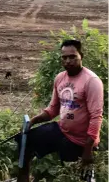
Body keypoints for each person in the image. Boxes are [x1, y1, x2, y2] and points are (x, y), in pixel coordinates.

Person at [15, 40, 104, 182]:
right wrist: (33, 121)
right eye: (64, 57)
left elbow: (96, 117)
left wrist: (88, 150)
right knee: (25, 139)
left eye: (72, 57)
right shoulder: (60, 78)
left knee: (76, 175)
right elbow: (53, 109)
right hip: (62, 130)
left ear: (81, 56)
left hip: (81, 141)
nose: (68, 61)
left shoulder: (91, 81)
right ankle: (24, 178)